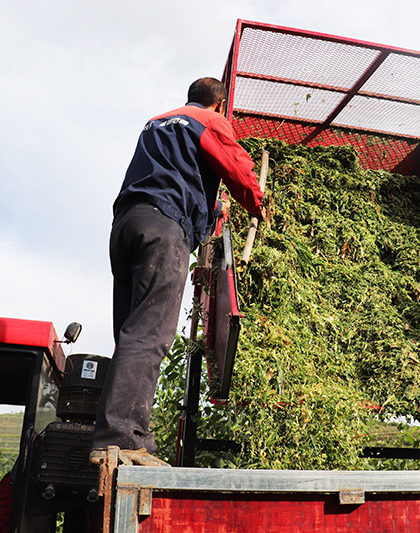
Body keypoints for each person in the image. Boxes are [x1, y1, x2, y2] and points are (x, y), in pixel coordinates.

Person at [90, 77, 264, 465]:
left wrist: (211, 212)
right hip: (163, 228)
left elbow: (171, 175)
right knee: (150, 335)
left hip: (126, 226)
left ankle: (114, 433)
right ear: (219, 104)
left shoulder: (156, 122)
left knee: (131, 334)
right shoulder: (209, 120)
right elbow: (237, 167)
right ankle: (120, 438)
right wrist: (256, 202)